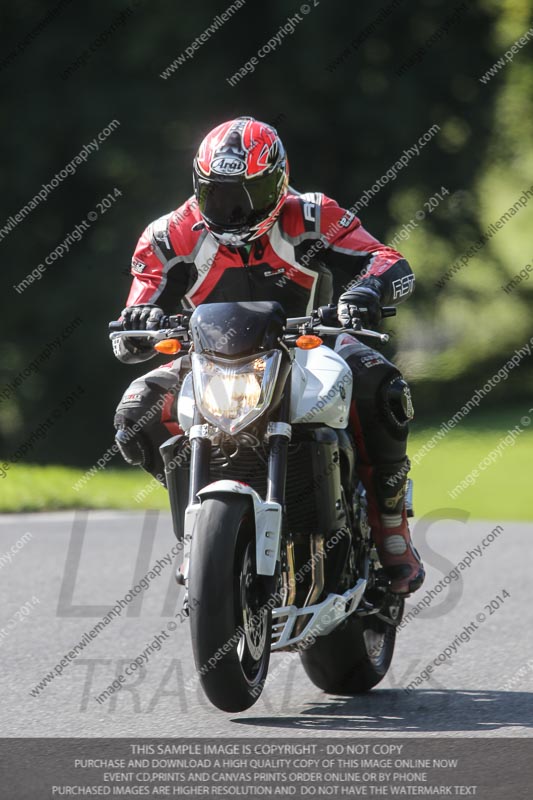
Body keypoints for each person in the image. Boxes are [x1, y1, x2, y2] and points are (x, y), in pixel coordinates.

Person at [112, 116, 424, 596]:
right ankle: (204, 529)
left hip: (309, 345)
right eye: (218, 194)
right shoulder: (167, 236)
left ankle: (389, 521)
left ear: (279, 181)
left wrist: (364, 291)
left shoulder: (313, 215)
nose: (234, 211)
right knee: (135, 413)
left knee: (382, 384)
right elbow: (138, 306)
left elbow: (389, 261)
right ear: (198, 187)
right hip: (207, 357)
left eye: (248, 195)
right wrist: (137, 325)